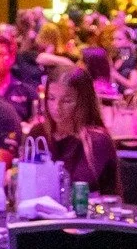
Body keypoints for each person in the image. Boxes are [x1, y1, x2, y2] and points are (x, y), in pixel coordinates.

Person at [34, 65, 119, 195]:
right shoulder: (38, 133)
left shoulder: (96, 140)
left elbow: (76, 186)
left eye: (67, 101)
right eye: (51, 98)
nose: (56, 107)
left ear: (83, 102)